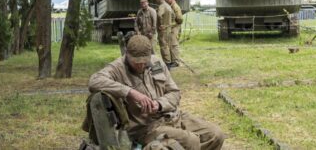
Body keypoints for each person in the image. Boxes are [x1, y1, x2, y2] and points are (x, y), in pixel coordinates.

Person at [88, 35, 225, 150]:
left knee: (216, 135)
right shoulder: (117, 68)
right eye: (136, 62)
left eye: (144, 62)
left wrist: (159, 104)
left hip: (173, 116)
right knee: (191, 142)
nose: (141, 66)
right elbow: (94, 81)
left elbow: (174, 92)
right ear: (127, 55)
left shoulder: (156, 62)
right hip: (146, 128)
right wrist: (130, 92)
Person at [155, 0, 174, 68]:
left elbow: (159, 15)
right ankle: (168, 62)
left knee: (163, 46)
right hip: (168, 29)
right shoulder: (168, 6)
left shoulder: (162, 6)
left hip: (163, 30)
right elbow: (173, 16)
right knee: (167, 46)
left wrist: (160, 25)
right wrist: (168, 24)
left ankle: (167, 63)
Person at [166, 0, 183, 67]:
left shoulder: (175, 7)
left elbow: (180, 19)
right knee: (171, 44)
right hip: (172, 27)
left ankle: (176, 61)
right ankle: (173, 60)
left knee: (174, 44)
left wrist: (173, 24)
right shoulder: (171, 6)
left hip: (175, 27)